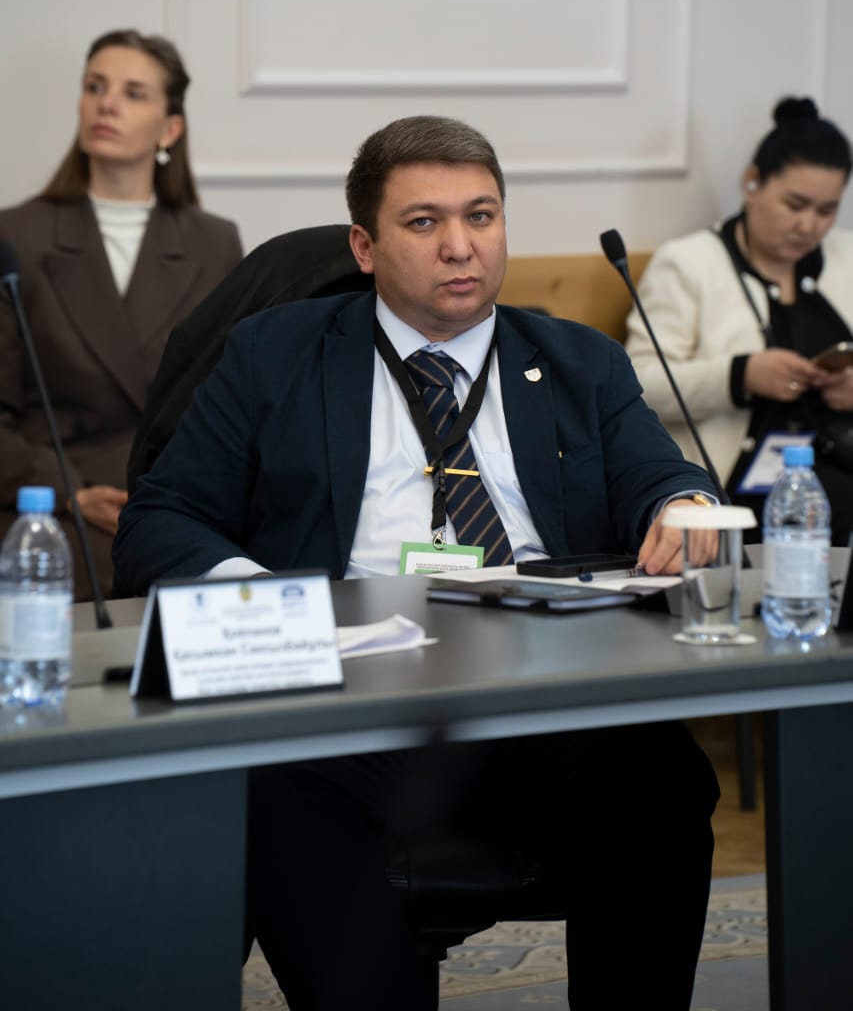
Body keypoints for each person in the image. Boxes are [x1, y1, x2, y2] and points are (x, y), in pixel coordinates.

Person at [114, 115, 719, 1010]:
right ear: (364, 246)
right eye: (424, 222)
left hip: (542, 695)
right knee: (272, 788)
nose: (459, 246)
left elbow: (657, 474)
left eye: (481, 215)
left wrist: (683, 505)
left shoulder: (578, 361)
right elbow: (162, 520)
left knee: (662, 777)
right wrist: (275, 604)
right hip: (349, 709)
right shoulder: (273, 355)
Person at [0, 29, 242, 600]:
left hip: (181, 503)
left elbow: (236, 403)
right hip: (53, 505)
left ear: (169, 129)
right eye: (95, 87)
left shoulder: (215, 242)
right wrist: (67, 491)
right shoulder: (16, 236)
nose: (106, 103)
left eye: (133, 93)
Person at [625, 96, 853, 544]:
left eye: (826, 211)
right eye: (795, 204)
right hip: (735, 491)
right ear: (752, 182)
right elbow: (639, 385)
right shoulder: (688, 264)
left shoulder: (846, 257)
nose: (809, 226)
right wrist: (739, 375)